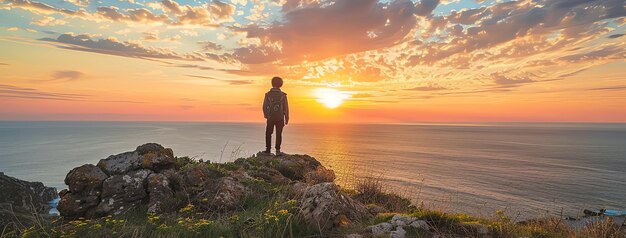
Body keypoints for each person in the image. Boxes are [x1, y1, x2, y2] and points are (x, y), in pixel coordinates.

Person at [263, 76, 289, 155]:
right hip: (280, 118)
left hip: (270, 117)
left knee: (268, 133)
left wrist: (266, 115)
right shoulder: (283, 95)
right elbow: (286, 107)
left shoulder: (267, 94)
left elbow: (264, 106)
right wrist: (287, 118)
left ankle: (268, 149)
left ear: (272, 83)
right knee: (278, 134)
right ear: (281, 84)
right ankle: (277, 150)